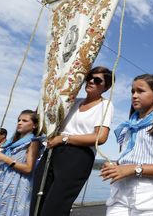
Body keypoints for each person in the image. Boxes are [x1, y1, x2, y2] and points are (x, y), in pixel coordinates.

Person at [31, 66, 115, 216]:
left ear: (106, 87)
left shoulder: (105, 105)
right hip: (53, 151)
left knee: (55, 207)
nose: (90, 81)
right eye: (89, 77)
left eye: (97, 80)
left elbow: (100, 137)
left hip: (77, 155)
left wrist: (64, 138)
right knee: (37, 202)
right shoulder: (73, 101)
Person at [101, 74, 153, 215]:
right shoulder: (129, 126)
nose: (134, 95)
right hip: (121, 191)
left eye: (140, 91)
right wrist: (115, 166)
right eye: (132, 91)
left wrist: (133, 169)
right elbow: (131, 156)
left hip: (149, 195)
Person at [0, 110, 43, 216]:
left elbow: (28, 169)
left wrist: (5, 158)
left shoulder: (33, 142)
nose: (19, 123)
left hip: (16, 185)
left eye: (24, 120)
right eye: (19, 120)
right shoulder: (10, 143)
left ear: (34, 125)